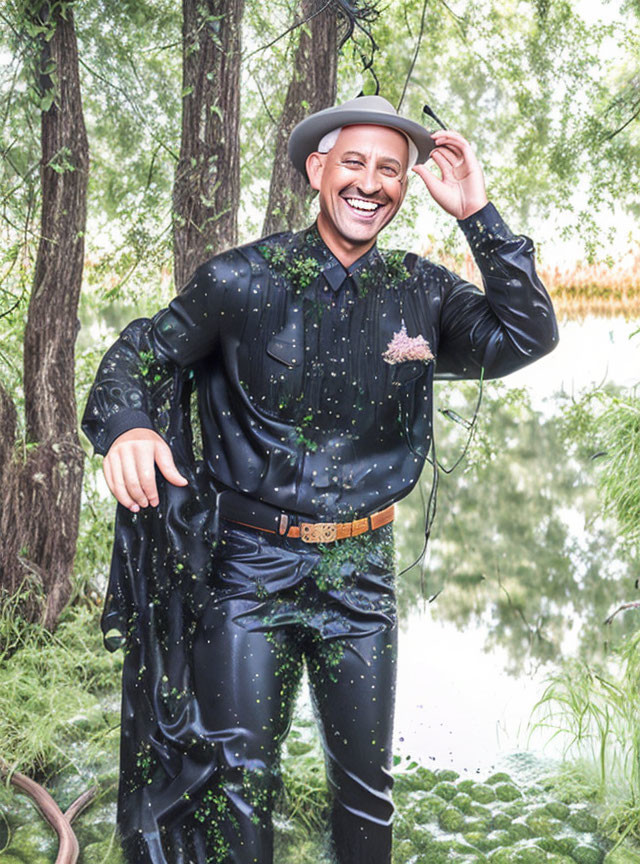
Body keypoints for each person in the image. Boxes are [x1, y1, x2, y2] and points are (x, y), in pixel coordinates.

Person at [81, 95, 559, 864]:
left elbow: (527, 336)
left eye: (391, 170)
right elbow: (141, 351)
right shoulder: (240, 279)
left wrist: (479, 215)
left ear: (407, 187)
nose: (371, 184)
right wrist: (130, 425)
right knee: (237, 784)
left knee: (367, 790)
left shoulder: (423, 292)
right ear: (317, 170)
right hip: (247, 573)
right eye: (354, 163)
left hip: (361, 577)